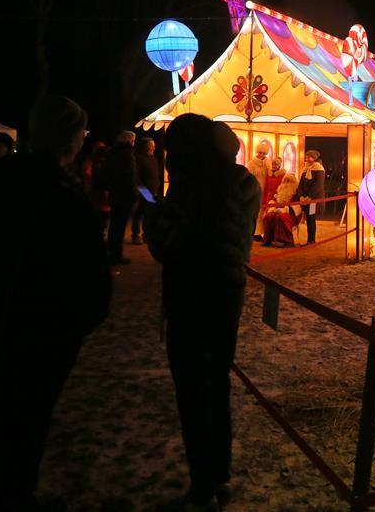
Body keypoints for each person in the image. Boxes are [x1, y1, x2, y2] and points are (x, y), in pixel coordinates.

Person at [0, 94, 111, 511]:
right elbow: (92, 287)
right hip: (38, 338)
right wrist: (69, 331)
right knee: (24, 427)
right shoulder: (64, 198)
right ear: (72, 143)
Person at [144, 114, 259, 511]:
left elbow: (166, 246)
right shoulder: (245, 182)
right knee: (217, 382)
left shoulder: (187, 189)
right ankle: (220, 473)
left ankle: (203, 482)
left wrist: (154, 216)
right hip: (227, 295)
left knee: (192, 390)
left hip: (188, 296)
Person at [104, 130, 138, 264]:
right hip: (124, 195)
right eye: (133, 140)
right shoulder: (127, 155)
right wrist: (135, 195)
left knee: (115, 225)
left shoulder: (112, 153)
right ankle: (116, 255)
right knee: (119, 226)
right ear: (129, 141)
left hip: (115, 194)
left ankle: (113, 253)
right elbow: (131, 177)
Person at [131, 137, 161, 244]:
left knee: (148, 212)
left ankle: (146, 234)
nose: (153, 148)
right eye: (151, 146)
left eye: (153, 145)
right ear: (145, 147)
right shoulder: (139, 158)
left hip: (153, 190)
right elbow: (136, 176)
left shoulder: (153, 158)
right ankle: (136, 234)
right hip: (144, 190)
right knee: (141, 212)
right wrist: (143, 189)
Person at [261, 173, 300, 247]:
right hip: (277, 210)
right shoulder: (280, 190)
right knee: (268, 216)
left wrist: (284, 210)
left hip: (291, 214)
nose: (287, 184)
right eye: (286, 181)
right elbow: (273, 200)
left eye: (289, 181)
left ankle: (288, 241)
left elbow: (297, 206)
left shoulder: (296, 192)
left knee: (281, 217)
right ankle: (268, 239)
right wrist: (272, 208)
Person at [298, 149, 325, 244]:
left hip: (313, 200)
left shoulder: (319, 169)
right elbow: (300, 184)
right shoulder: (305, 169)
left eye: (309, 157)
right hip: (305, 199)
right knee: (308, 218)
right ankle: (309, 240)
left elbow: (318, 185)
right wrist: (301, 196)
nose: (307, 159)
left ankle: (311, 240)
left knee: (311, 218)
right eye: (306, 157)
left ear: (314, 158)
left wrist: (310, 197)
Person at [246, 142, 271, 241]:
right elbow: (248, 179)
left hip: (265, 191)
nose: (261, 155)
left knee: (261, 212)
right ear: (257, 152)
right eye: (260, 153)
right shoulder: (251, 164)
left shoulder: (268, 163)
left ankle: (258, 233)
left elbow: (272, 174)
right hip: (255, 190)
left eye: (264, 153)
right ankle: (251, 233)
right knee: (253, 212)